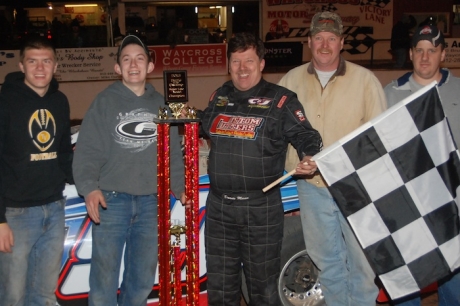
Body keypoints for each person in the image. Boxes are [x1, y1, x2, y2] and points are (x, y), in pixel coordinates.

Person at [199, 32, 322, 306]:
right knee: (220, 288)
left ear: (262, 63)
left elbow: (307, 136)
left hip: (261, 209)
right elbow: (201, 124)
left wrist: (310, 155)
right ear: (228, 65)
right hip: (220, 208)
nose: (242, 69)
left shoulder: (282, 100)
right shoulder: (219, 96)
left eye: (249, 61)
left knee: (263, 289)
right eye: (236, 62)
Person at [278, 11, 387, 306]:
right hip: (311, 189)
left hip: (355, 189)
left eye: (331, 38)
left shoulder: (366, 82)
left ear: (341, 42)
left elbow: (380, 139)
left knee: (363, 265)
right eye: (318, 38)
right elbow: (276, 133)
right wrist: (293, 170)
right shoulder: (290, 81)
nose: (324, 44)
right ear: (309, 42)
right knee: (327, 263)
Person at [72, 35, 186, 306]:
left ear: (149, 66)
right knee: (103, 281)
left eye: (139, 58)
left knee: (141, 281)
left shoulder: (162, 105)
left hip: (151, 204)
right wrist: (89, 187)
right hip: (112, 203)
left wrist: (181, 189)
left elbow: (172, 154)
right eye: (126, 59)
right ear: (117, 68)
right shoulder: (105, 102)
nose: (133, 64)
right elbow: (87, 150)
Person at [384, 24, 460, 306]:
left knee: (454, 278)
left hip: (453, 203)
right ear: (412, 53)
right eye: (419, 50)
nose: (425, 57)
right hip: (409, 204)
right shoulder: (391, 93)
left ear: (442, 54)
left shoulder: (459, 90)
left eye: (432, 51)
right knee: (408, 280)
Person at [0, 36, 73, 305]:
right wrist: (0, 221)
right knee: (12, 296)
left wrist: (90, 184)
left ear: (55, 66)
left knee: (43, 295)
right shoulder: (5, 102)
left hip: (53, 209)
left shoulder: (60, 101)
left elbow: (64, 152)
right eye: (33, 61)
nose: (40, 68)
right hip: (15, 214)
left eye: (46, 61)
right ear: (21, 66)